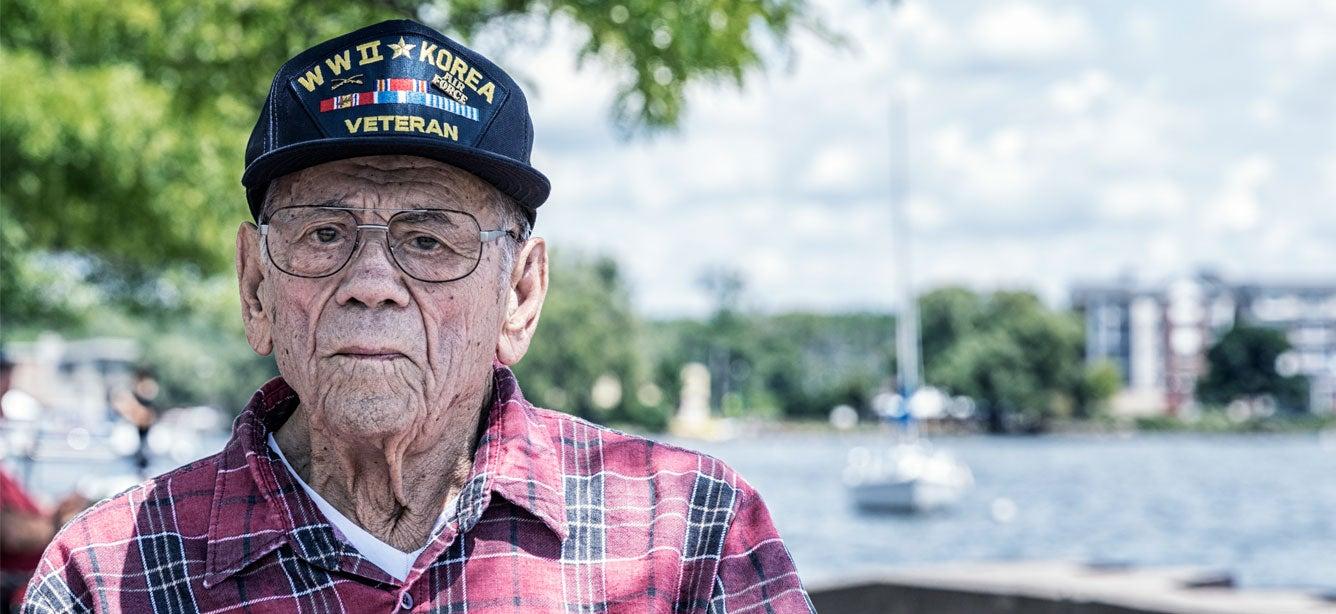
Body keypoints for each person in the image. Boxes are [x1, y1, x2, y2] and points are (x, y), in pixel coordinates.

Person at [23, 20, 813, 613]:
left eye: (431, 240)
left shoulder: (689, 534)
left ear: (521, 296)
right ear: (256, 288)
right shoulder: (105, 574)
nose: (373, 283)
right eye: (324, 233)